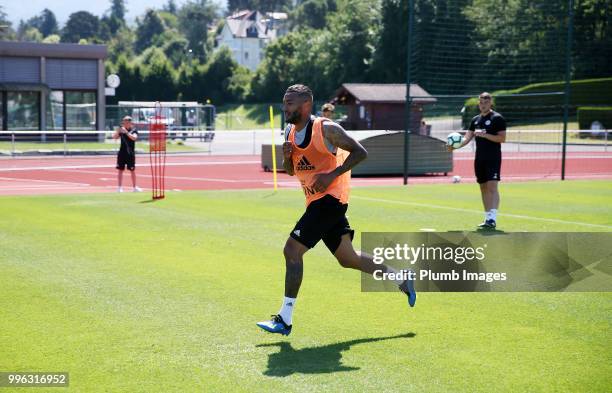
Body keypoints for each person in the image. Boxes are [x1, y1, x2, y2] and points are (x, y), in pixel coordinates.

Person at [256, 84, 416, 336]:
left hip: (331, 200)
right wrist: (287, 158)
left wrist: (333, 174)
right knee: (347, 258)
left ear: (305, 105)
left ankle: (284, 319)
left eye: (289, 103)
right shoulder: (288, 132)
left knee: (292, 250)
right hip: (316, 201)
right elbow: (290, 170)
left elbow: (360, 152)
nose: (284, 107)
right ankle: (401, 278)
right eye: (284, 102)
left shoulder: (326, 129)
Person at [449, 92, 506, 229]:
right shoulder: (475, 120)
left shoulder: (497, 118)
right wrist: (453, 146)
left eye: (486, 102)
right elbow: (466, 139)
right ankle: (487, 218)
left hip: (493, 158)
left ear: (490, 103)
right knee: (483, 187)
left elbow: (502, 139)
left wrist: (485, 135)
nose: (483, 105)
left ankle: (493, 218)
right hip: (479, 159)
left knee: (492, 186)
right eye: (481, 102)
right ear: (478, 103)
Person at [113, 116, 142, 193]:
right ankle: (119, 188)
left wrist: (126, 132)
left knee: (132, 170)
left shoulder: (134, 130)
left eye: (126, 122)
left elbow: (134, 138)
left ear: (130, 122)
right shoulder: (121, 130)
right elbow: (114, 137)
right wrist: (118, 131)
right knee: (120, 170)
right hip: (122, 153)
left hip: (130, 154)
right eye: (124, 122)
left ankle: (134, 187)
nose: (124, 123)